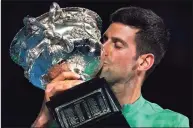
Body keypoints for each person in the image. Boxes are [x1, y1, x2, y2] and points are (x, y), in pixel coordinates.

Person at [32, 6, 189, 127]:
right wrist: (43, 120)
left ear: (143, 62)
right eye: (104, 40)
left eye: (117, 45)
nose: (102, 49)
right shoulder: (67, 114)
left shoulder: (171, 123)